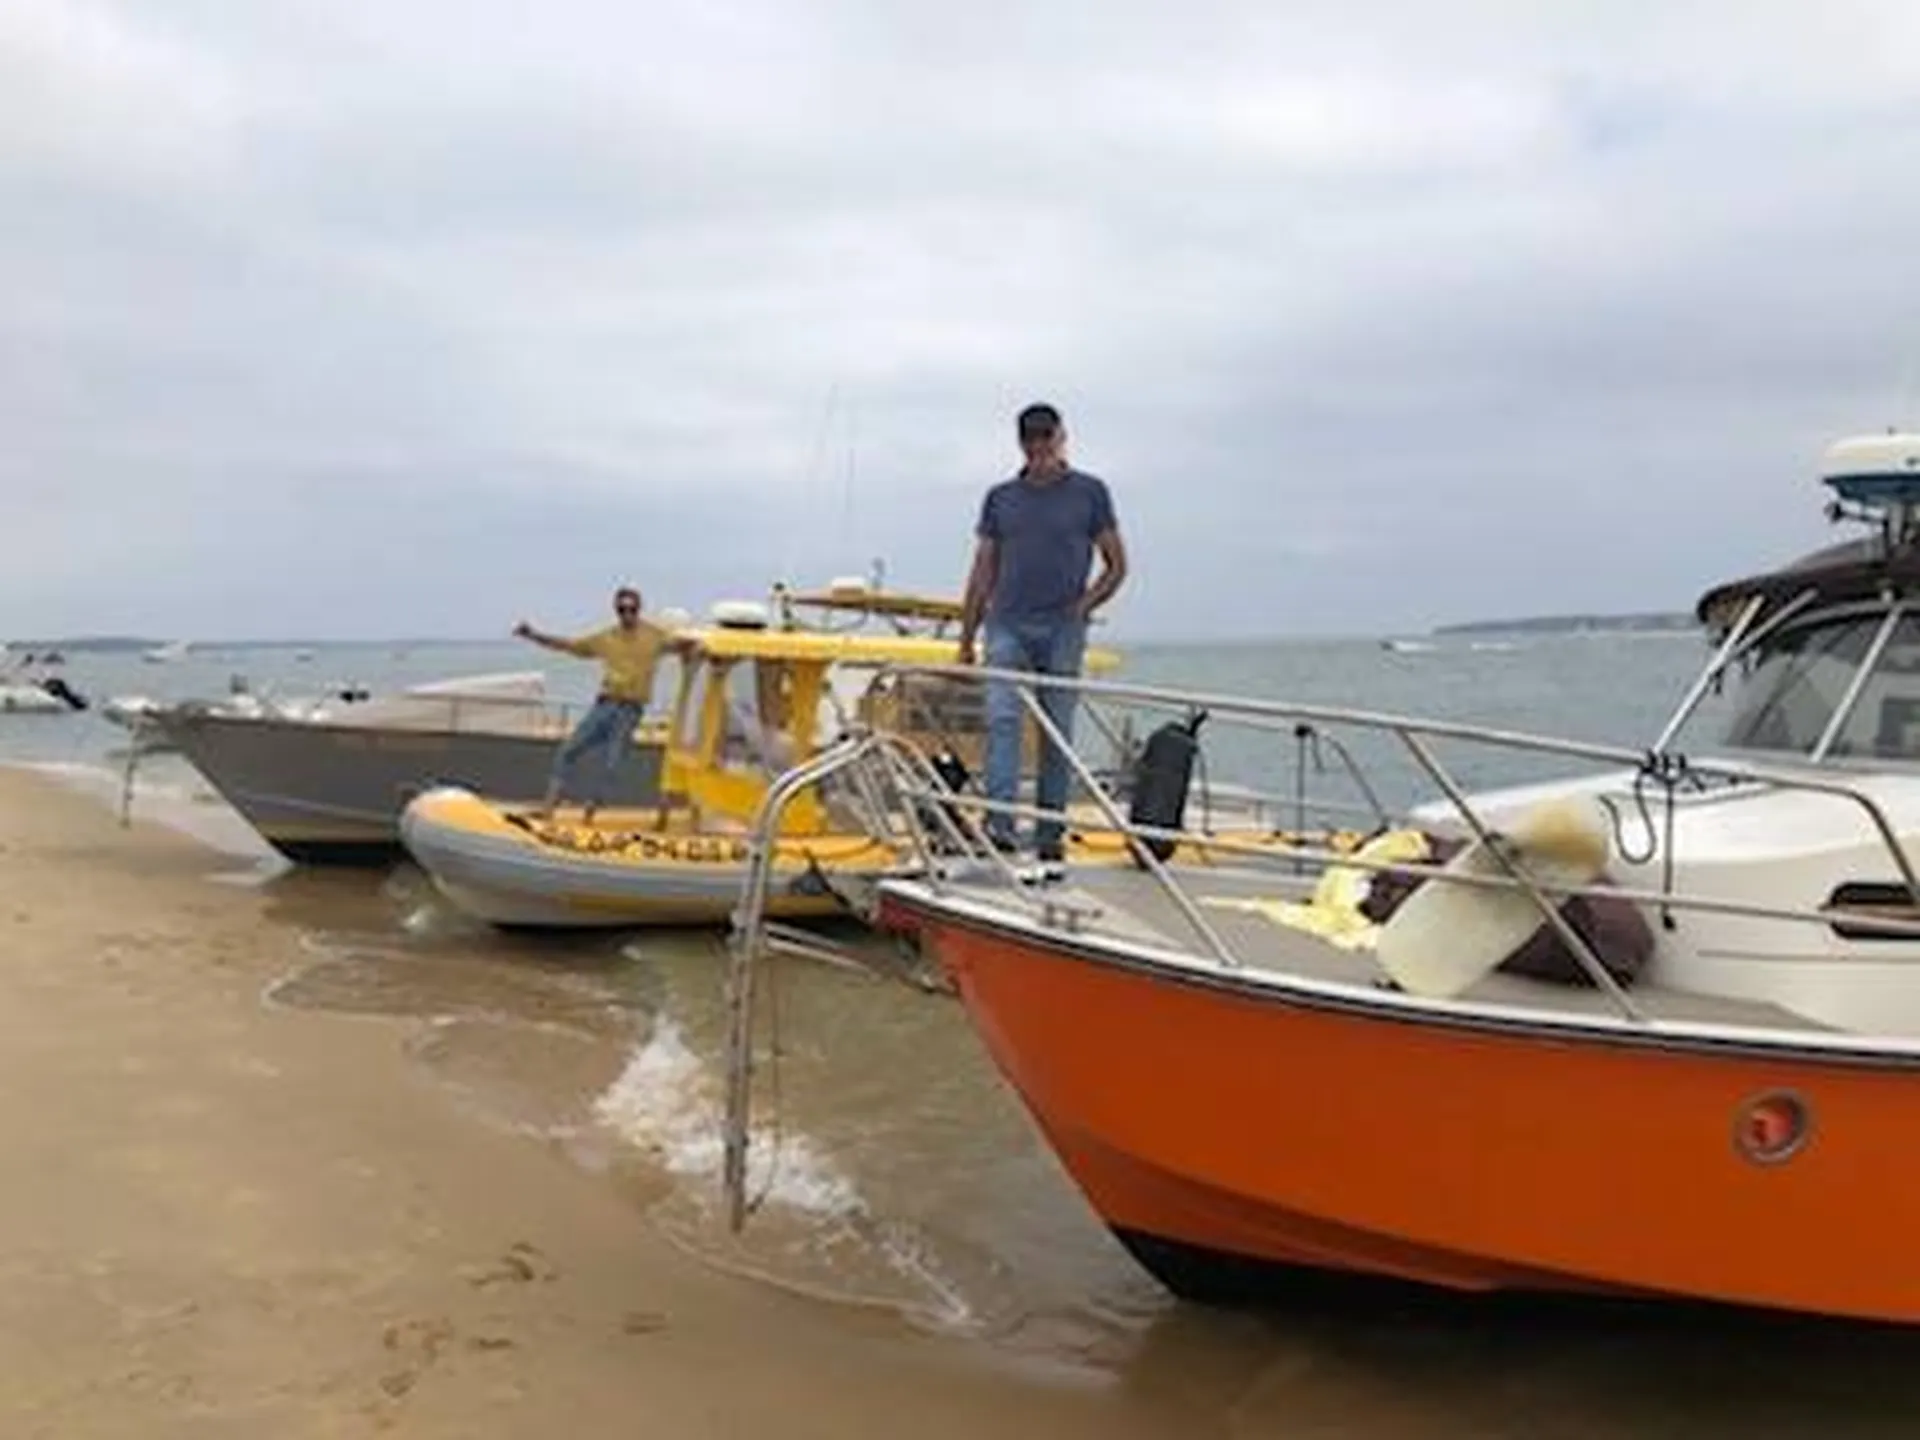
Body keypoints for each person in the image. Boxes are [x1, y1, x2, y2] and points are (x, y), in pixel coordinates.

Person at [958, 402, 1129, 864]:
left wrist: (1083, 606)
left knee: (1056, 732)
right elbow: (982, 569)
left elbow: (1118, 565)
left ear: (1060, 438)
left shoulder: (1090, 493)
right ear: (1021, 444)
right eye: (1029, 442)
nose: (1038, 450)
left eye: (1045, 440)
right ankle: (1000, 827)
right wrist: (966, 639)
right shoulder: (1001, 498)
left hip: (1062, 628)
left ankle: (1050, 832)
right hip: (1007, 624)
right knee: (1003, 721)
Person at [514, 586, 669, 822]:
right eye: (622, 609)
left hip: (630, 710)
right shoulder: (607, 638)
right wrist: (534, 635)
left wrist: (713, 655)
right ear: (616, 610)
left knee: (610, 766)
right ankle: (547, 811)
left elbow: (684, 646)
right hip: (605, 705)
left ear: (639, 609)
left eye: (631, 609)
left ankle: (589, 815)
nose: (627, 613)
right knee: (568, 751)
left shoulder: (655, 636)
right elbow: (569, 646)